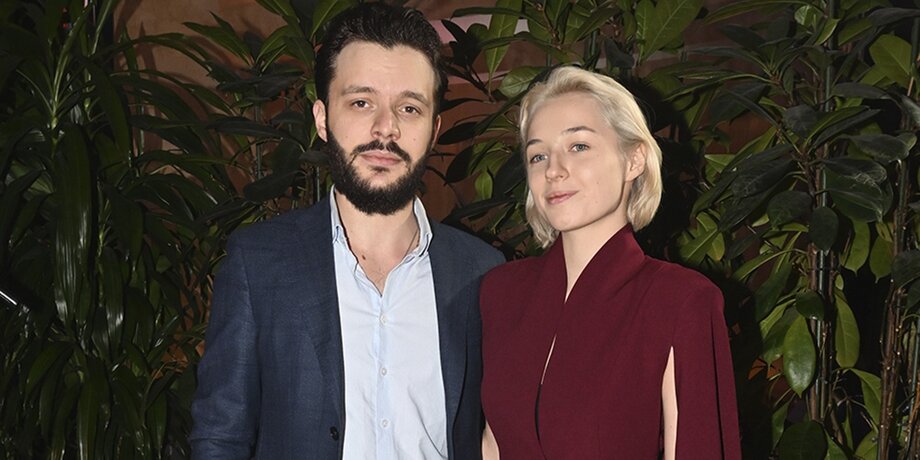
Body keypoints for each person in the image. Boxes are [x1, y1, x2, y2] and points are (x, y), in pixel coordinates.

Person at [190, 3, 504, 459]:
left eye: (409, 107)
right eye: (361, 102)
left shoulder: (482, 273)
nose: (385, 128)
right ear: (322, 118)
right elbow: (220, 439)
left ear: (434, 129)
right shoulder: (258, 263)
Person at [479, 66, 741, 459]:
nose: (554, 170)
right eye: (538, 155)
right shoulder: (500, 292)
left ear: (634, 160)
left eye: (578, 146)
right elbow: (492, 443)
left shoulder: (681, 301)